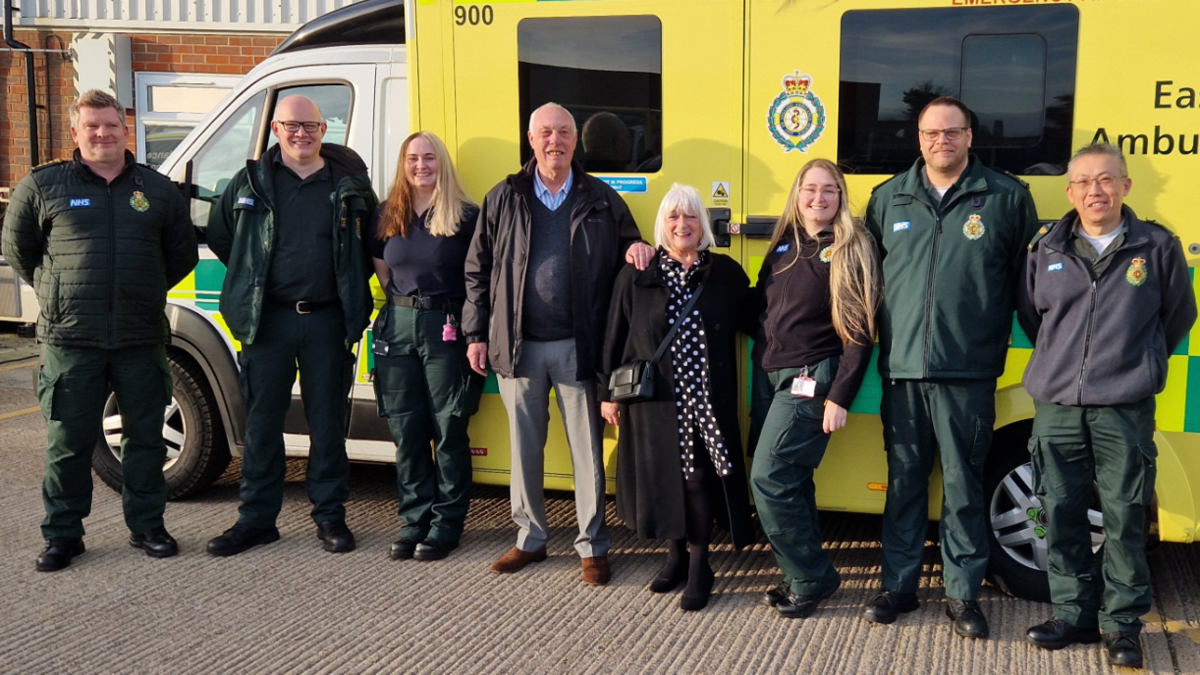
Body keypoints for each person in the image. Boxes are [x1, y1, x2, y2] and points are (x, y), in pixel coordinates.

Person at [862, 96, 1039, 638]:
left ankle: (963, 595)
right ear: (918, 139)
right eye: (931, 132)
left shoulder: (1007, 197)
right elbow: (867, 281)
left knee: (964, 487)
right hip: (902, 370)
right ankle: (899, 586)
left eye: (952, 131)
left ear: (970, 136)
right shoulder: (888, 198)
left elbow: (1028, 286)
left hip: (970, 371)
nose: (942, 140)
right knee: (905, 482)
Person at [2, 89, 198, 571]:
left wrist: (141, 290)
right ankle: (63, 535)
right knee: (68, 442)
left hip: (139, 337)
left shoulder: (156, 190)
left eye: (110, 125)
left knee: (145, 438)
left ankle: (148, 526)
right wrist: (59, 289)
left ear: (125, 129)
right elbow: (19, 248)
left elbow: (181, 254)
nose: (102, 133)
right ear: (75, 132)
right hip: (72, 340)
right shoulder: (44, 186)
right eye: (91, 126)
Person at [1018, 143, 1196, 669]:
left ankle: (1121, 626)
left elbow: (1176, 317)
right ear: (1069, 192)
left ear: (1125, 186)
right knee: (1060, 510)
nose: (1095, 191)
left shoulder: (1157, 247)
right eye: (1084, 183)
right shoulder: (1046, 248)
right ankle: (1072, 614)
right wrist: (1062, 366)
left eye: (1106, 180)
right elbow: (1035, 317)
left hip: (1124, 405)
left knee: (1123, 517)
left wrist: (1135, 363)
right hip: (1057, 405)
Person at [463, 102, 655, 585]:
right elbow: (477, 270)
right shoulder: (503, 196)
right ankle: (530, 539)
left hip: (578, 346)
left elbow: (628, 250)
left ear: (576, 142)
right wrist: (476, 332)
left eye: (564, 132)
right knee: (524, 447)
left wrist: (636, 246)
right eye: (546, 132)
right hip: (518, 345)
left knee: (587, 449)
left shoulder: (602, 198)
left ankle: (592, 545)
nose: (555, 141)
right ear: (531, 140)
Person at [205, 95, 378, 556]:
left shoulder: (350, 185)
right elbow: (227, 238)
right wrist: (255, 280)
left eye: (310, 126)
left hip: (327, 321)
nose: (301, 133)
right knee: (262, 424)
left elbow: (369, 244)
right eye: (291, 125)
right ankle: (257, 520)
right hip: (268, 321)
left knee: (327, 424)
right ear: (276, 130)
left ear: (325, 130)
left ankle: (330, 517)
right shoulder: (250, 181)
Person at [601, 184, 757, 611]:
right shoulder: (638, 274)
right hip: (656, 403)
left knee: (697, 481)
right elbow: (614, 336)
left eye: (690, 217)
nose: (681, 225)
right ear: (662, 225)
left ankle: (700, 566)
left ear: (702, 224)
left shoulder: (724, 273)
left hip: (707, 403)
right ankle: (674, 557)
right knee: (666, 480)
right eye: (673, 217)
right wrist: (607, 394)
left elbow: (761, 319)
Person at [751, 159, 880, 619]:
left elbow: (859, 329)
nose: (818, 198)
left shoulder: (849, 247)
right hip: (769, 375)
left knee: (768, 478)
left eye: (830, 190)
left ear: (841, 198)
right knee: (792, 480)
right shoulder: (785, 244)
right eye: (810, 189)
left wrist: (839, 395)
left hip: (810, 377)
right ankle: (801, 574)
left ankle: (812, 577)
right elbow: (760, 308)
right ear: (797, 193)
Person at [368, 131, 484, 562]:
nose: (421, 165)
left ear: (443, 164)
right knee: (407, 430)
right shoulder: (386, 213)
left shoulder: (465, 216)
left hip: (446, 327)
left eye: (429, 157)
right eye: (412, 158)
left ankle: (445, 525)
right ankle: (413, 521)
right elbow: (382, 269)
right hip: (396, 326)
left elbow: (478, 281)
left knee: (449, 429)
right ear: (403, 163)